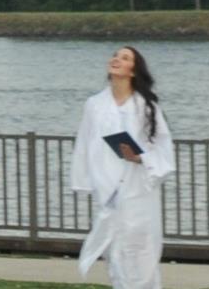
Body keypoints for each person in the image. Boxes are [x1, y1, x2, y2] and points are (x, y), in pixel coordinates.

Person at [71, 46, 174, 289]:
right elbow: (84, 143)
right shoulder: (95, 104)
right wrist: (84, 181)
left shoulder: (146, 108)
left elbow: (163, 148)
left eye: (125, 58)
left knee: (141, 250)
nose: (117, 59)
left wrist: (141, 158)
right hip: (109, 190)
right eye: (116, 55)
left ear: (133, 71)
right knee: (115, 252)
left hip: (138, 189)